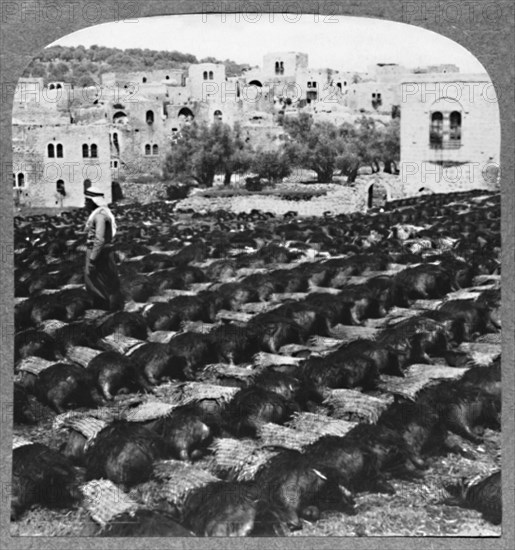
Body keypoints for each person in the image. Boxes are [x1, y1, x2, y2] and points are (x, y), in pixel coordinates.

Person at [83, 186, 124, 311]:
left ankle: (103, 307)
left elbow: (99, 239)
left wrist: (93, 259)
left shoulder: (100, 216)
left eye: (87, 201)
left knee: (95, 281)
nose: (85, 203)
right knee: (104, 280)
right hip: (104, 251)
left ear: (93, 201)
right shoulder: (102, 213)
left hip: (98, 252)